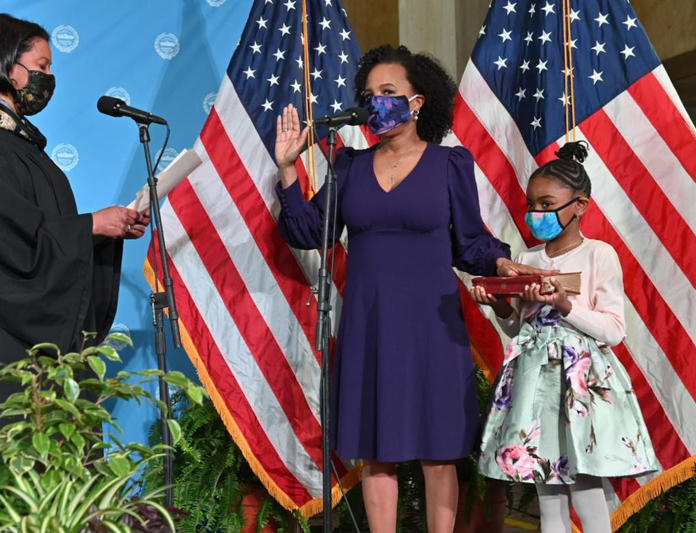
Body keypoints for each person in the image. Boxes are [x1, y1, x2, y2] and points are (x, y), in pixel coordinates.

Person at [275, 44, 544, 533]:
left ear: (417, 102)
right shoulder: (349, 166)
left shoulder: (448, 164)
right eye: (369, 93)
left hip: (432, 327)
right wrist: (289, 170)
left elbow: (470, 242)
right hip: (369, 327)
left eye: (388, 92)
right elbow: (308, 231)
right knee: (378, 454)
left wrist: (502, 261)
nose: (376, 101)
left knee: (438, 453)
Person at [0, 13, 150, 466]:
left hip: (29, 340)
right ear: (11, 69)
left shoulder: (19, 145)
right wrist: (89, 226)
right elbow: (1, 236)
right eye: (41, 66)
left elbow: (42, 236)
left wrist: (105, 232)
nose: (49, 78)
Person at [473, 142, 660, 533]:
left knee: (587, 482)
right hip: (534, 382)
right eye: (532, 205)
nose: (537, 214)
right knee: (547, 483)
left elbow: (614, 329)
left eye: (546, 204)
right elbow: (519, 327)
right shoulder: (530, 257)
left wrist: (564, 304)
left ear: (580, 205)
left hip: (581, 383)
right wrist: (499, 305)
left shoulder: (598, 254)